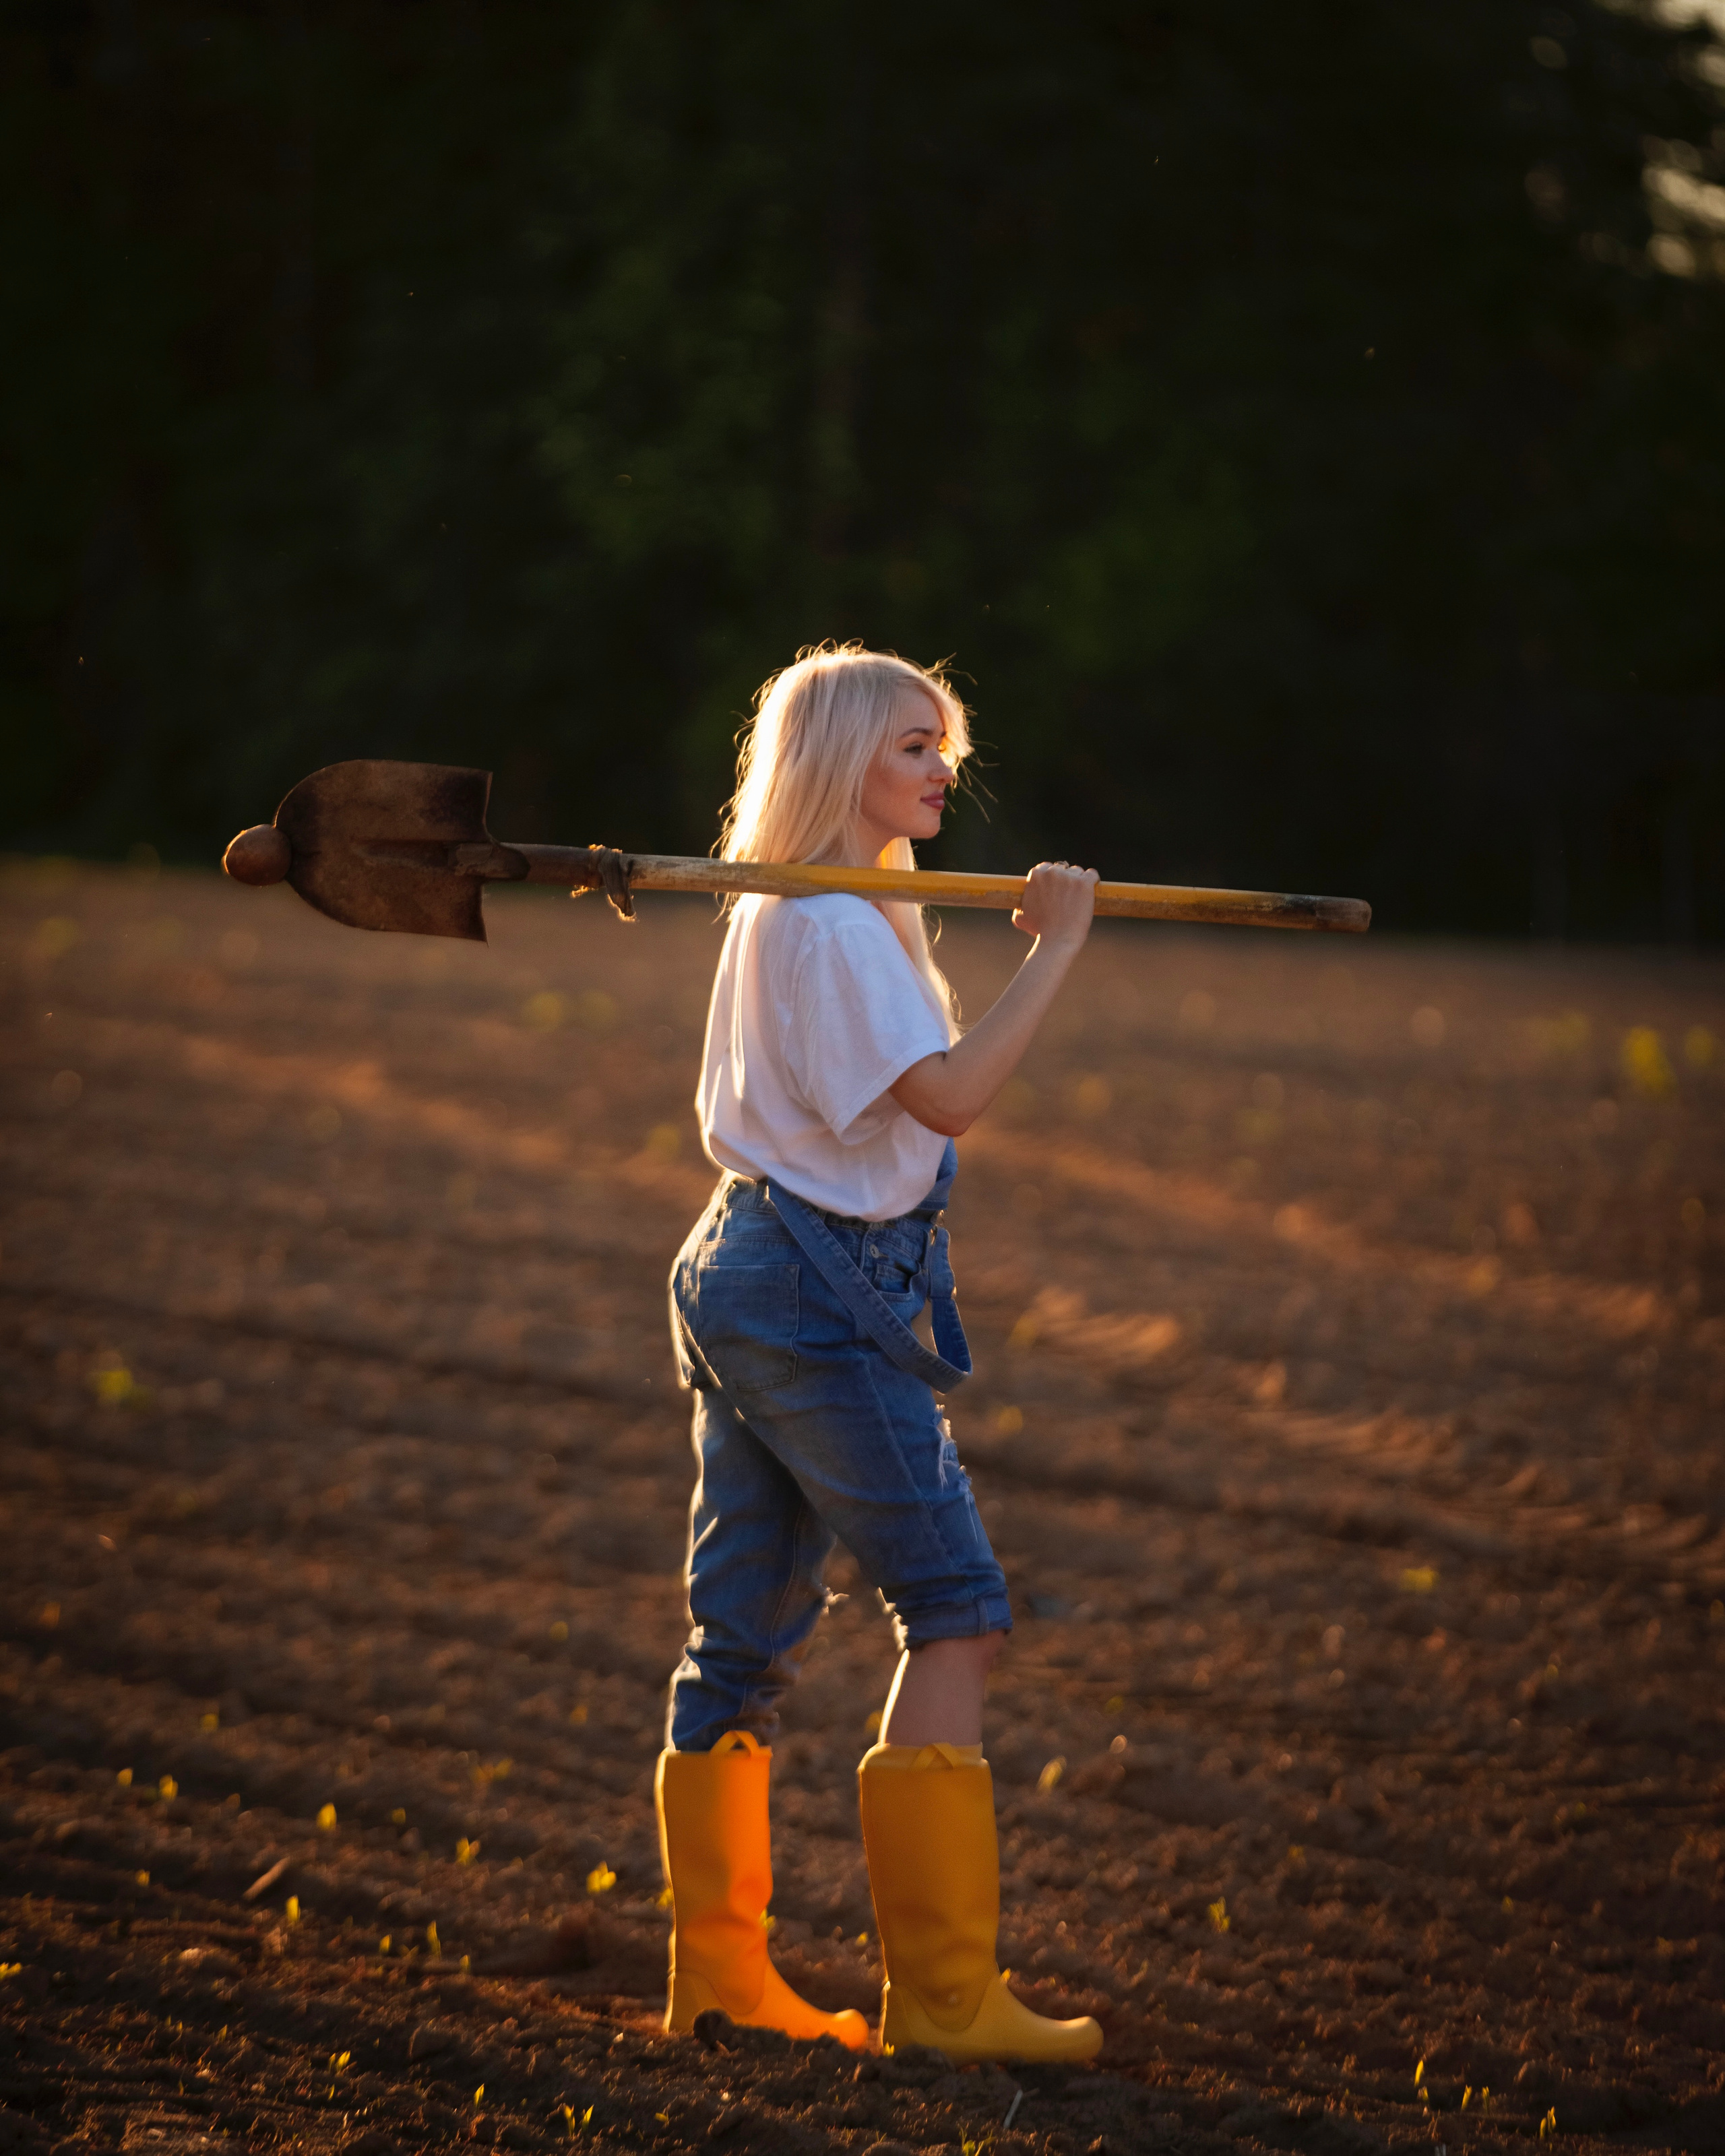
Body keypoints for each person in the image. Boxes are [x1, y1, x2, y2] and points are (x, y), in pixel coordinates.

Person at [655, 642, 1104, 2064]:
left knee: (742, 1635)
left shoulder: (808, 904)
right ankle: (948, 1999)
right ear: (842, 757)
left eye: (943, 744)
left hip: (747, 1262)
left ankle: (719, 1979)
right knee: (954, 1606)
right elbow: (953, 1096)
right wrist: (1059, 951)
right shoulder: (836, 924)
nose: (941, 766)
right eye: (914, 743)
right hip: (806, 1290)